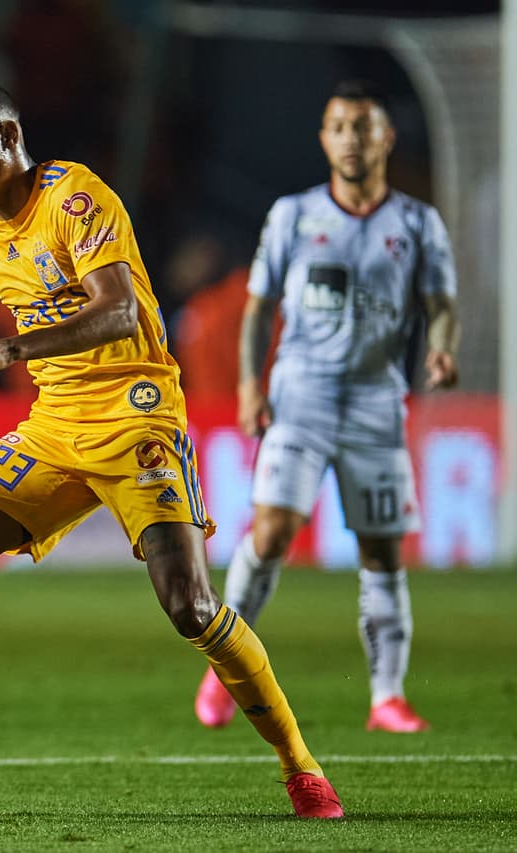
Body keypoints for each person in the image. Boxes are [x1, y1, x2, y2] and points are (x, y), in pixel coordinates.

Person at [0, 81, 344, 820]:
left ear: (8, 137)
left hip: (135, 417)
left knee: (190, 606)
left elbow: (118, 312)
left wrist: (7, 348)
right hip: (56, 423)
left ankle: (300, 766)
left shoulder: (76, 198)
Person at [194, 79, 460, 734]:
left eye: (362, 127)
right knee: (272, 531)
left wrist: (442, 350)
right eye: (339, 127)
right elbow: (259, 307)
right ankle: (226, 669)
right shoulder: (293, 215)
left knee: (382, 550)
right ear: (323, 138)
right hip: (301, 396)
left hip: (376, 401)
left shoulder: (417, 224)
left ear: (386, 138)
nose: (350, 140)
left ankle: (387, 697)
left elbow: (441, 305)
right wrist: (251, 385)